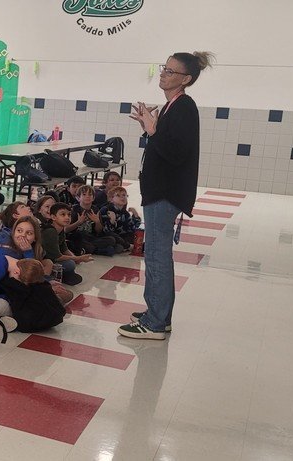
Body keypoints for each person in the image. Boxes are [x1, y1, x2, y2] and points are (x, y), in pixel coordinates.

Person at [119, 51, 212, 340]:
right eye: (164, 68)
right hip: (159, 190)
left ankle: (155, 322)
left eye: (171, 71)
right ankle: (157, 313)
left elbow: (176, 152)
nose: (163, 74)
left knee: (158, 255)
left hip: (165, 192)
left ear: (186, 79)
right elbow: (164, 144)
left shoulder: (184, 107)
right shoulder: (172, 106)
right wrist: (151, 130)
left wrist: (152, 130)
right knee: (157, 254)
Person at [40, 203, 92, 286]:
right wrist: (78, 258)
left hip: (51, 259)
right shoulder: (50, 231)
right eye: (63, 214)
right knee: (70, 264)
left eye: (69, 215)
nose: (67, 217)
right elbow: (58, 257)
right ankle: (58, 277)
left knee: (71, 263)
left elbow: (65, 249)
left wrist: (76, 259)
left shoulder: (61, 230)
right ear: (53, 217)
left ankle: (65, 276)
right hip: (42, 260)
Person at [69, 185, 121, 255]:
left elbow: (98, 231)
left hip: (92, 237)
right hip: (78, 237)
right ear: (78, 198)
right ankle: (99, 250)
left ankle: (95, 249)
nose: (87, 196)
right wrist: (78, 222)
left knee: (111, 239)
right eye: (84, 194)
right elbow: (66, 229)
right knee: (78, 238)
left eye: (90, 195)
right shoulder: (74, 210)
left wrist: (97, 222)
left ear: (93, 198)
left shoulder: (95, 210)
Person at [100, 186, 142, 250]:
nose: (122, 197)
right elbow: (106, 230)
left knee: (135, 235)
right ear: (111, 199)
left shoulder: (125, 213)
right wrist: (112, 221)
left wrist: (135, 215)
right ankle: (127, 246)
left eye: (124, 195)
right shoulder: (106, 210)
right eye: (118, 195)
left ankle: (127, 246)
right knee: (112, 238)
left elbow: (132, 228)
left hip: (123, 236)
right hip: (111, 236)